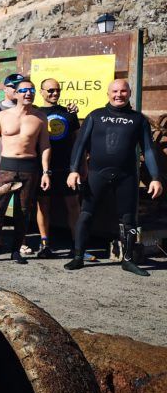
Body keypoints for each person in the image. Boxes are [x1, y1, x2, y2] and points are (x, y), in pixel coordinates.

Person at [65, 79, 163, 276]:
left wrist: (155, 177)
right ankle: (78, 256)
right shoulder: (95, 116)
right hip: (96, 174)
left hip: (126, 176)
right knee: (86, 214)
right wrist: (74, 170)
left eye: (123, 91)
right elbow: (80, 144)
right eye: (115, 91)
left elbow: (148, 150)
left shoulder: (138, 119)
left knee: (129, 219)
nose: (119, 95)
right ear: (108, 94)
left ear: (129, 93)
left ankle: (128, 260)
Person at [0, 80, 51, 264]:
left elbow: (45, 146)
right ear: (16, 94)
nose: (28, 93)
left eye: (31, 90)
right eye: (24, 90)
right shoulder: (2, 116)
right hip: (6, 168)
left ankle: (15, 251)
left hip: (29, 168)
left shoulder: (40, 117)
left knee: (24, 212)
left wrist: (45, 172)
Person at [34, 78, 81, 258]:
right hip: (43, 168)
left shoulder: (69, 113)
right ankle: (45, 244)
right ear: (42, 92)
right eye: (50, 90)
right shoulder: (36, 114)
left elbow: (78, 142)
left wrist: (80, 166)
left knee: (73, 205)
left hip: (67, 168)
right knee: (43, 205)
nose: (54, 94)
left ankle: (77, 244)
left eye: (57, 90)